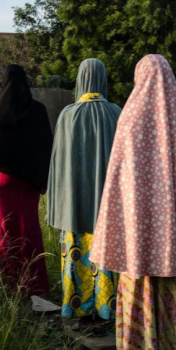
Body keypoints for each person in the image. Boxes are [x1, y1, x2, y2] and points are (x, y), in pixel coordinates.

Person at [90, 54, 176, 350]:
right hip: (167, 239)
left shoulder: (130, 117)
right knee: (167, 292)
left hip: (136, 238)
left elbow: (117, 181)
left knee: (137, 291)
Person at [47, 58, 122, 325]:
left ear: (80, 79)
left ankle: (75, 304)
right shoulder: (116, 113)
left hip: (74, 205)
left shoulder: (68, 114)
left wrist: (57, 204)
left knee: (76, 251)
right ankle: (106, 306)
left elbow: (58, 165)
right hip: (109, 206)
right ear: (103, 79)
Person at [0, 64, 53, 297]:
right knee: (28, 231)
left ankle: (5, 287)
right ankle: (33, 286)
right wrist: (43, 182)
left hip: (3, 185)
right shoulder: (39, 111)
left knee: (3, 234)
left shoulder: (0, 113)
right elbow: (47, 148)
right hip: (30, 186)